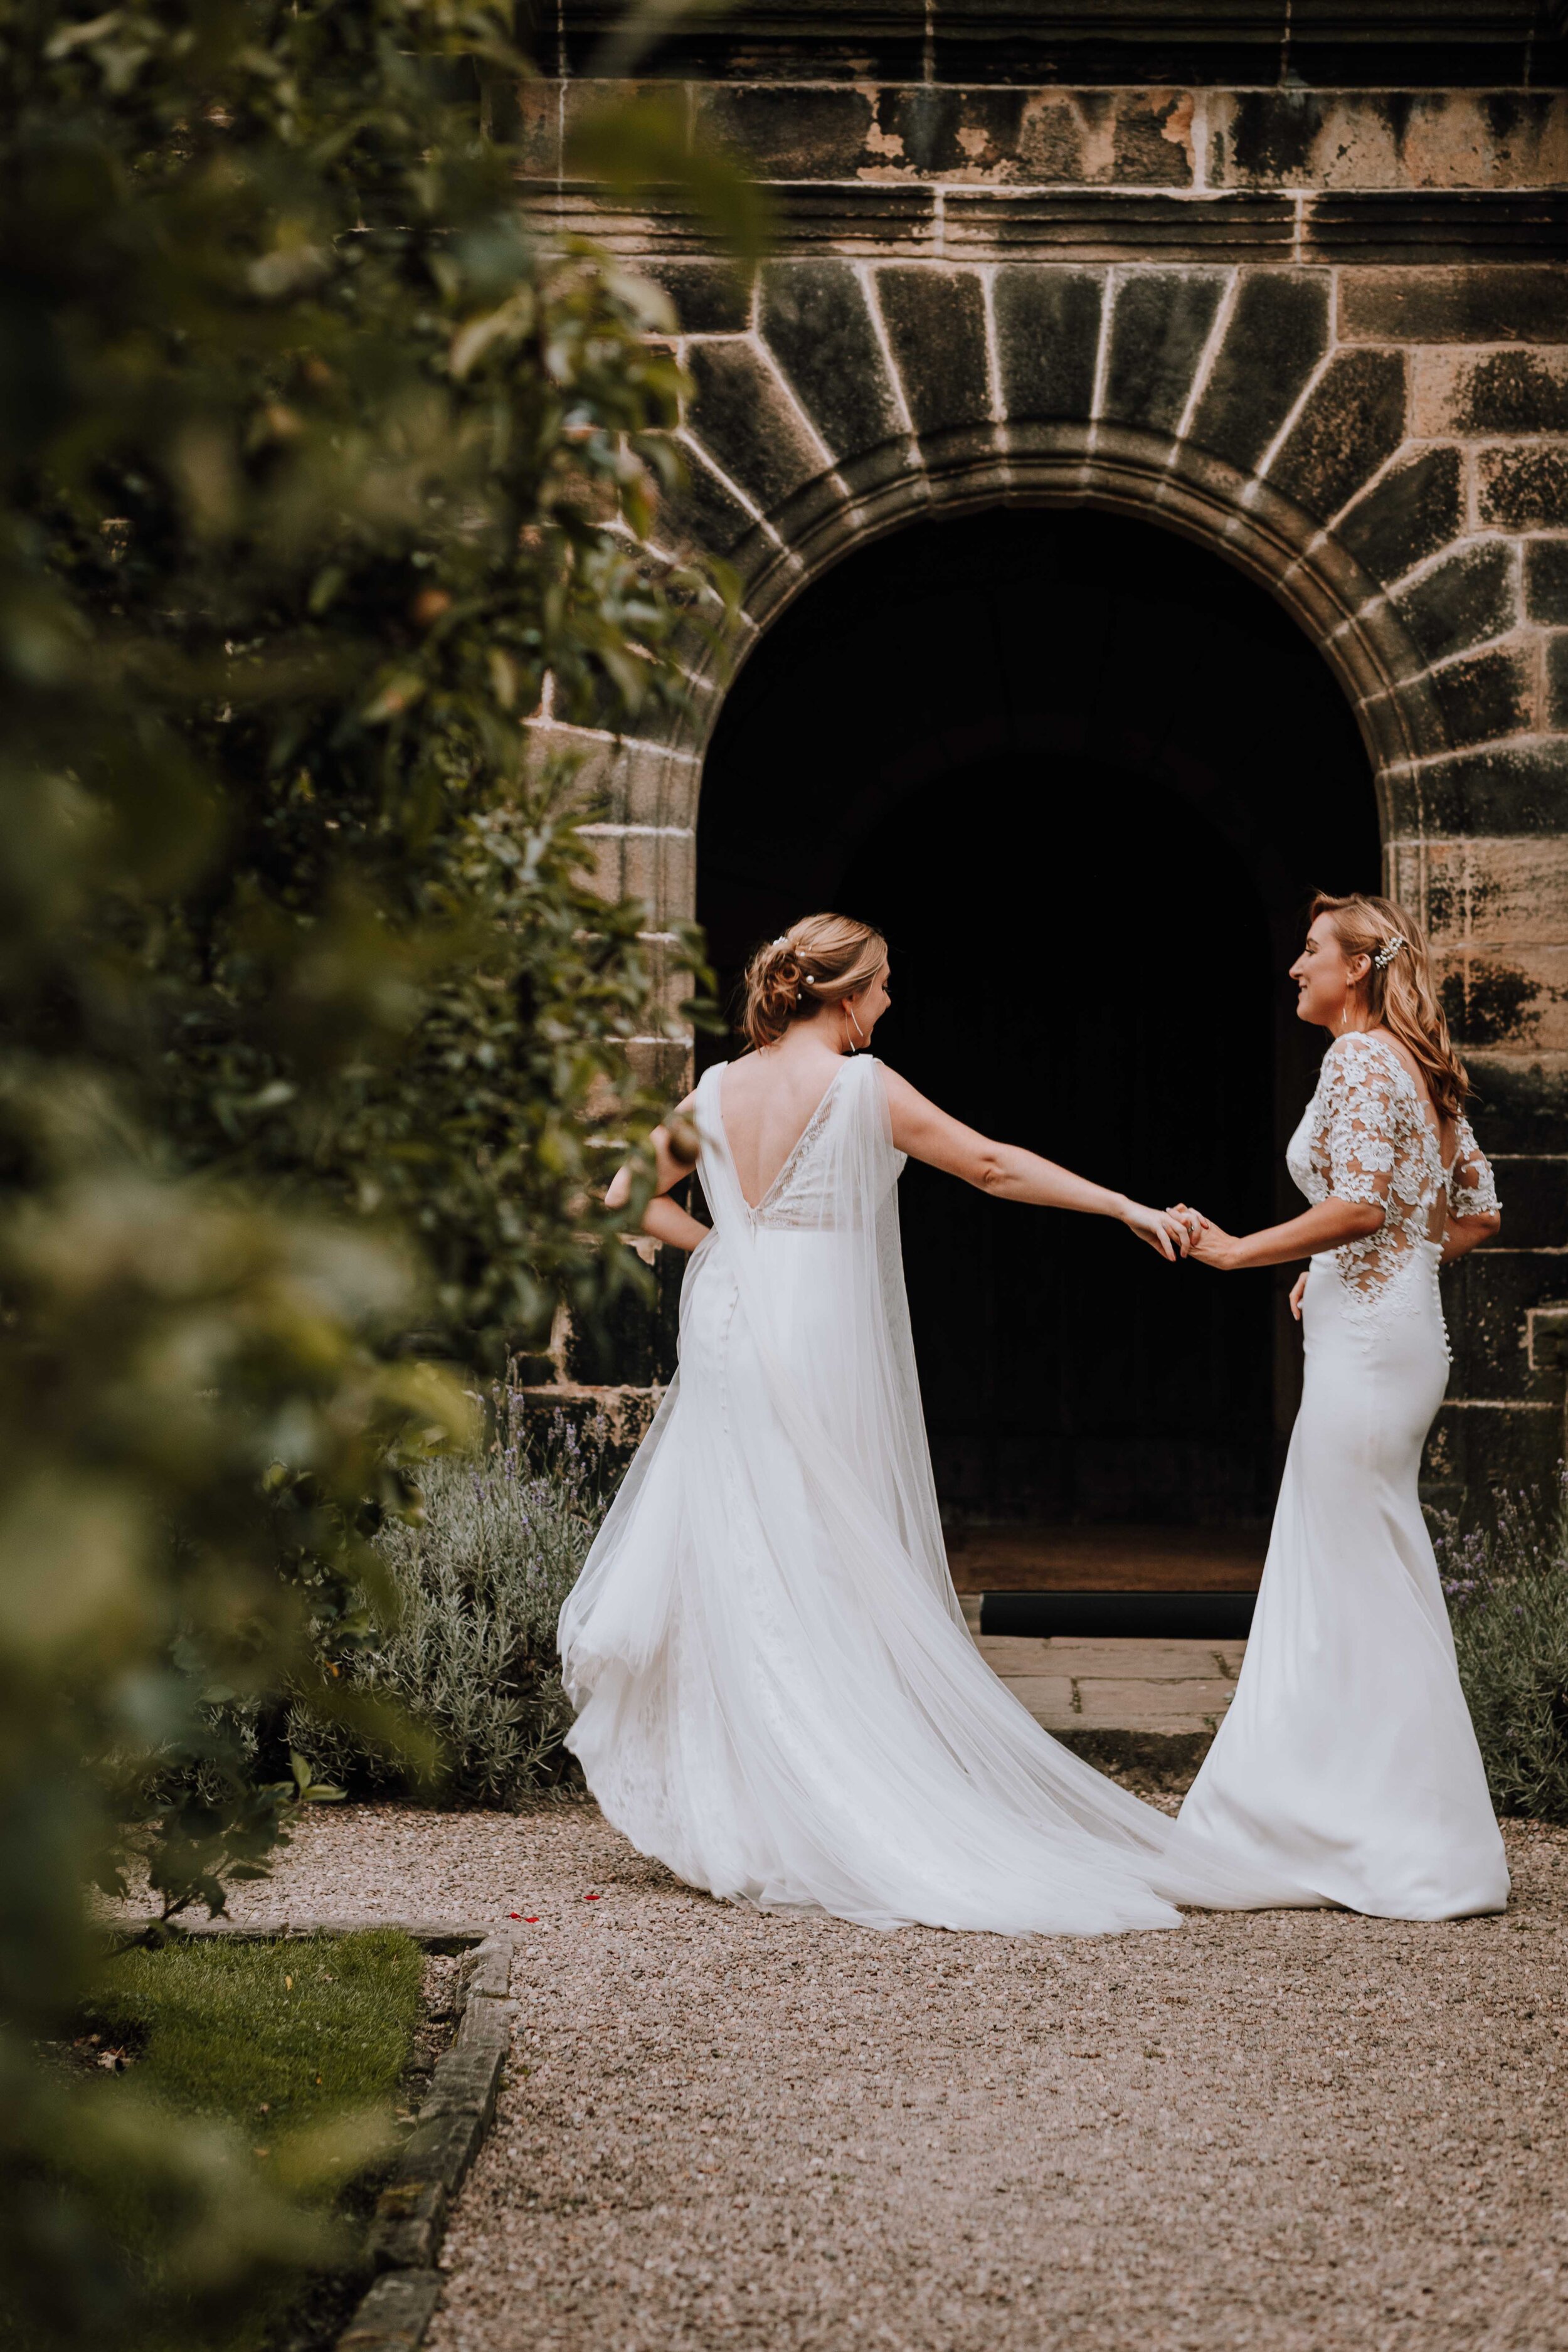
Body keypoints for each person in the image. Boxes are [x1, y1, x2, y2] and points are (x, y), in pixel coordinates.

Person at [558, 913, 1287, 1935]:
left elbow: (626, 1197)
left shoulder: (712, 1092)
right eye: (886, 984)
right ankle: (817, 1790)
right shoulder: (861, 1086)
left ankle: (746, 1798)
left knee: (742, 1534)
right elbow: (989, 1164)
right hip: (812, 1323)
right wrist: (1120, 1203)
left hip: (730, 1316)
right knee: (812, 1543)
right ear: (846, 994)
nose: (891, 1001)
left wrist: (722, 1245)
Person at [1169, 891, 1508, 1920]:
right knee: (1365, 1566)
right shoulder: (1421, 1067)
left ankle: (1390, 1836)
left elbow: (1361, 1201)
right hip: (1398, 1336)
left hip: (1367, 1352)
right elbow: (1476, 1209)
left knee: (1352, 1571)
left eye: (1311, 952)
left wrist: (1239, 1249)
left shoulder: (1360, 1059)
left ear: (1357, 966)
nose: (1296, 968)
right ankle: (1373, 1817)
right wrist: (1378, 1260)